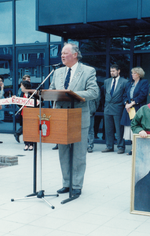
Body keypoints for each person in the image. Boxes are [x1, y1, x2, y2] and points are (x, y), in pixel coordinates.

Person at [49, 42, 99, 196]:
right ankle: (66, 183)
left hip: (78, 117)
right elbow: (51, 90)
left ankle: (76, 185)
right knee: (63, 152)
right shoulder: (57, 72)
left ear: (75, 54)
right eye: (61, 54)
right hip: (60, 118)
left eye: (65, 53)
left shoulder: (88, 71)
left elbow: (93, 92)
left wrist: (73, 94)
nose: (62, 56)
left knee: (78, 153)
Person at [120, 67, 149, 155]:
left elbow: (142, 95)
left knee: (137, 127)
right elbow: (124, 95)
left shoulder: (144, 82)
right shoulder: (129, 83)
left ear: (139, 74)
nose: (132, 75)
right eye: (132, 73)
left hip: (138, 108)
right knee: (130, 128)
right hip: (129, 109)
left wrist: (131, 104)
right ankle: (133, 148)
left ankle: (136, 149)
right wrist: (126, 104)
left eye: (134, 73)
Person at [101, 64, 127, 154]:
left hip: (118, 107)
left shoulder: (124, 82)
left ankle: (121, 147)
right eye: (111, 71)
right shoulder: (106, 81)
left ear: (118, 71)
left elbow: (125, 95)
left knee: (119, 129)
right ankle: (109, 146)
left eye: (113, 71)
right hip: (108, 107)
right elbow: (105, 94)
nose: (112, 73)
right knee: (108, 128)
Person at [14, 75, 32, 143]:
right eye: (27, 80)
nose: (29, 81)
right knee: (25, 126)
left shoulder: (31, 92)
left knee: (27, 126)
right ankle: (25, 141)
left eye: (29, 79)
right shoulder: (21, 91)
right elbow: (20, 101)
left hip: (29, 112)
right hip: (23, 111)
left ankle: (18, 134)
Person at [17, 80, 35, 151]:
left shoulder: (32, 94)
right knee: (25, 130)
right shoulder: (22, 94)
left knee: (31, 130)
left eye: (22, 85)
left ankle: (31, 144)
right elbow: (20, 105)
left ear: (25, 86)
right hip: (23, 114)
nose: (21, 87)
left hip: (30, 114)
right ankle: (26, 144)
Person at [87, 89, 100, 153]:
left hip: (90, 112)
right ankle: (82, 145)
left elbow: (97, 101)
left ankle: (90, 145)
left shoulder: (94, 88)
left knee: (90, 130)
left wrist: (93, 109)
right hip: (80, 112)